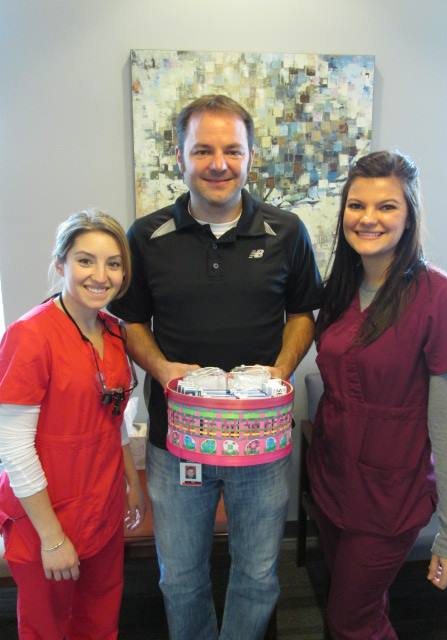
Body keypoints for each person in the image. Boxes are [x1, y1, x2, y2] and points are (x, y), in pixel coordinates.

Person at [108, 94, 323, 639]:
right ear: (180, 157)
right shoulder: (145, 236)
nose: (219, 164)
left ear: (251, 157)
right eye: (203, 150)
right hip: (176, 441)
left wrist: (280, 370)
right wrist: (163, 370)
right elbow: (131, 322)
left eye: (232, 150)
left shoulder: (288, 231)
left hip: (261, 444)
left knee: (258, 576)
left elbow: (303, 313)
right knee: (180, 579)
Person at [307, 150, 447, 640]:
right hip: (332, 480)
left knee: (350, 621)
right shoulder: (341, 287)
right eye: (356, 205)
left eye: (386, 206)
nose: (368, 218)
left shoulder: (440, 296)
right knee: (358, 604)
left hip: (390, 495)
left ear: (409, 216)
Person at [0, 210, 146, 639]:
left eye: (113, 264)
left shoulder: (114, 332)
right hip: (47, 517)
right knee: (48, 628)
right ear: (61, 264)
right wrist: (51, 538)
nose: (100, 276)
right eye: (85, 260)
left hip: (102, 509)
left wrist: (131, 481)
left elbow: (113, 414)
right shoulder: (30, 335)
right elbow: (13, 447)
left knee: (99, 621)